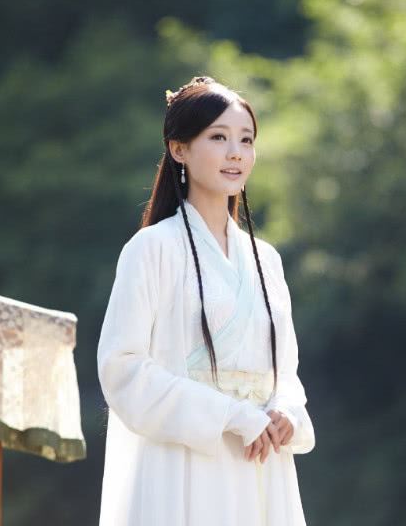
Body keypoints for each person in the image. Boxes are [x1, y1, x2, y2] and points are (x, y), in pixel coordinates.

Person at [96, 76, 315, 525]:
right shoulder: (152, 249)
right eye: (218, 137)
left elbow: (285, 372)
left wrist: (287, 413)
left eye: (246, 140)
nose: (236, 152)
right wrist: (231, 416)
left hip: (261, 460)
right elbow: (123, 369)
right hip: (187, 462)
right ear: (179, 149)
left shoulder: (267, 260)